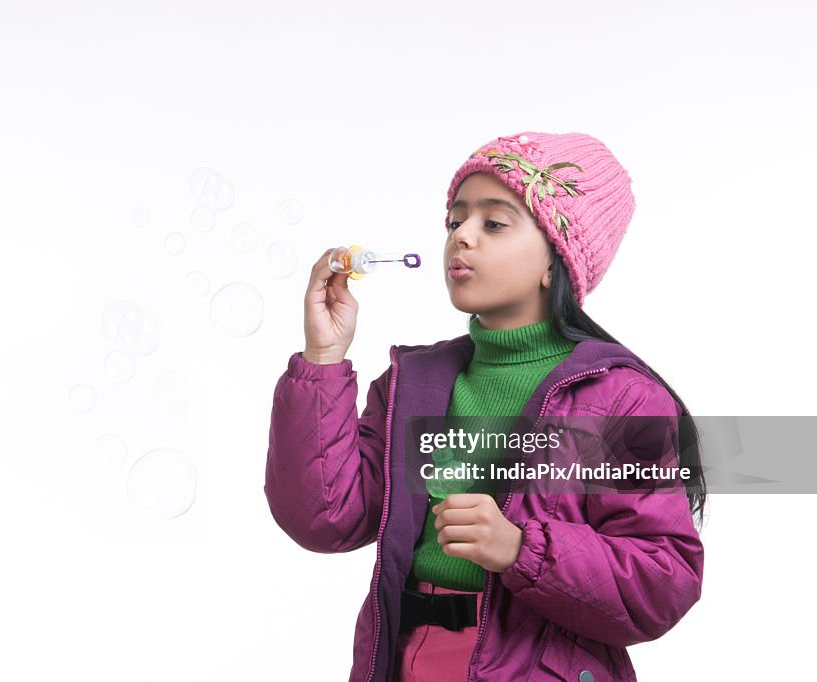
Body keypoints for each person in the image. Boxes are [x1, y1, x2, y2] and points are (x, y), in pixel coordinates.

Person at [264, 131, 706, 681]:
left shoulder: (622, 400)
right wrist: (324, 360)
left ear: (557, 260)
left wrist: (520, 548)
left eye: (493, 223)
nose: (461, 238)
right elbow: (324, 519)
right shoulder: (413, 385)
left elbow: (662, 582)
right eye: (455, 221)